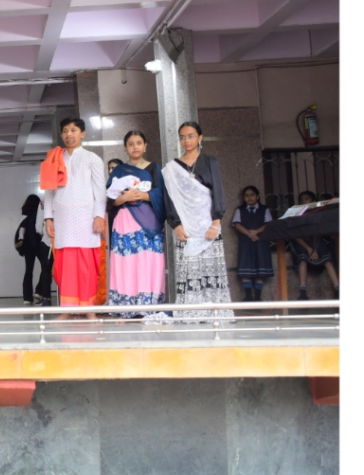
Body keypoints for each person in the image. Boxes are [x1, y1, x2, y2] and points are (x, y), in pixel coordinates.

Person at [160, 121, 234, 324]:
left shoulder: (210, 162)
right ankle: (191, 313)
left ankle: (215, 312)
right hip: (185, 228)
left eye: (191, 136)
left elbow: (218, 191)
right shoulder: (171, 169)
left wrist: (216, 223)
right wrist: (176, 225)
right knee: (189, 271)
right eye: (182, 137)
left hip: (209, 225)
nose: (186, 140)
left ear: (200, 138)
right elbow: (169, 199)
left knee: (211, 270)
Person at [42, 118, 107, 318]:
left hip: (86, 219)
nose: (69, 134)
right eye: (65, 131)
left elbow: (100, 190)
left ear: (82, 133)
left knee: (87, 267)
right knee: (65, 268)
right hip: (63, 220)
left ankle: (89, 310)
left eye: (73, 130)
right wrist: (48, 217)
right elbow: (49, 191)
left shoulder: (92, 159)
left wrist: (99, 216)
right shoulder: (55, 159)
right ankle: (67, 309)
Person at [105, 130, 165, 317]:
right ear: (125, 147)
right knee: (127, 262)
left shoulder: (154, 168)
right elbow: (109, 199)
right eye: (130, 144)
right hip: (125, 222)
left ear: (145, 145)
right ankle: (126, 306)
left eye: (139, 143)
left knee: (147, 261)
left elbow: (162, 195)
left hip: (149, 222)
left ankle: (147, 306)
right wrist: (124, 198)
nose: (135, 147)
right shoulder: (119, 171)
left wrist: (144, 195)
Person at [289, 190, 340, 300]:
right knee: (302, 259)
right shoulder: (296, 214)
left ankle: (337, 288)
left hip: (315, 241)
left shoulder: (317, 214)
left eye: (306, 199)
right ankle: (303, 293)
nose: (304, 201)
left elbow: (317, 234)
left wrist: (314, 249)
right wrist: (309, 249)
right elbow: (295, 235)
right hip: (301, 241)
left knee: (327, 258)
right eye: (302, 200)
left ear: (313, 201)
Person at [231, 186, 275, 302]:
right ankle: (248, 296)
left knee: (261, 268)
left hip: (261, 242)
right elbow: (237, 224)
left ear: (257, 196)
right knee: (246, 268)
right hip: (246, 243)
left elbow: (268, 224)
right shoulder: (240, 209)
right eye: (246, 195)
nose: (249, 198)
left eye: (252, 195)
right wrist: (249, 233)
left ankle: (258, 297)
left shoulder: (264, 209)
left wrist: (256, 231)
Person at [15, 194, 52, 305]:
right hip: (40, 244)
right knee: (46, 268)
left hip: (28, 246)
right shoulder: (41, 211)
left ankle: (27, 298)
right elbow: (39, 229)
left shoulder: (25, 213)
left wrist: (20, 240)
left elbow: (22, 228)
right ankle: (39, 291)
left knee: (28, 271)